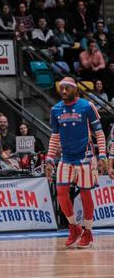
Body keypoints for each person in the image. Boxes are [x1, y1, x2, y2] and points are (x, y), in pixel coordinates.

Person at [46, 77, 107, 249]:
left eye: (67, 88)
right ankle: (74, 226)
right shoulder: (56, 109)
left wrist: (102, 155)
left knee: (86, 194)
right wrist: (50, 158)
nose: (63, 91)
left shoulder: (87, 106)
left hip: (86, 157)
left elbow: (100, 132)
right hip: (66, 157)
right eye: (61, 88)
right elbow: (55, 136)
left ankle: (88, 231)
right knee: (61, 193)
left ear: (75, 89)